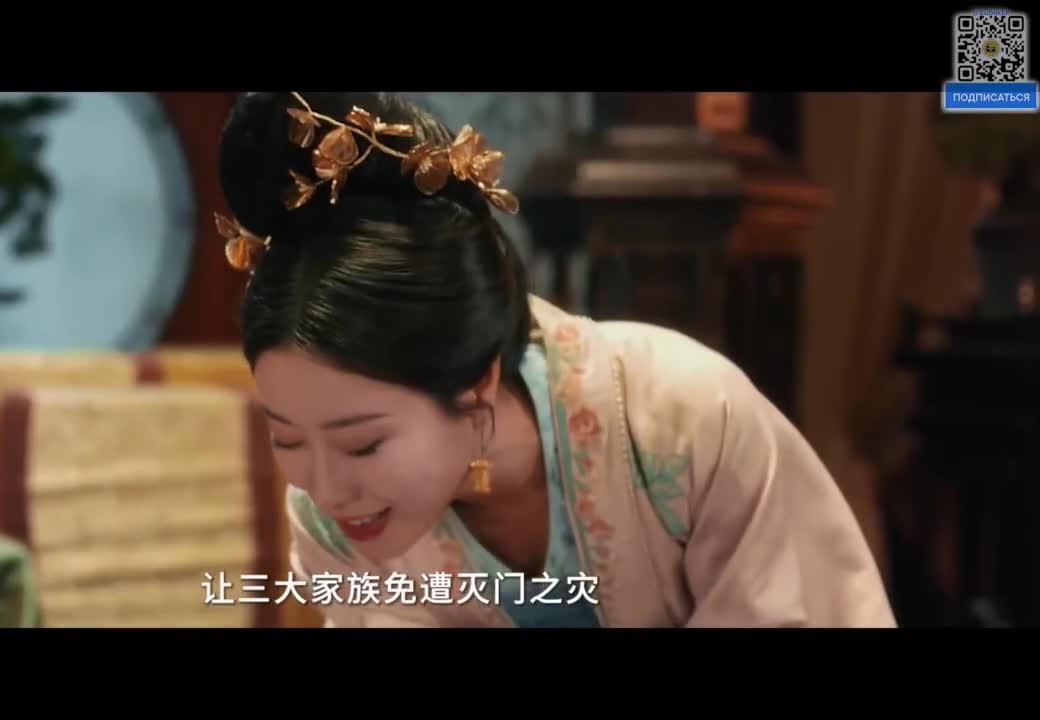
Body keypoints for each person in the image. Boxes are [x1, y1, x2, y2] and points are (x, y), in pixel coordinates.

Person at [215, 91, 896, 628]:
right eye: (287, 439)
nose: (328, 491)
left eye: (362, 444)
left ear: (476, 384)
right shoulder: (330, 522)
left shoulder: (681, 418)